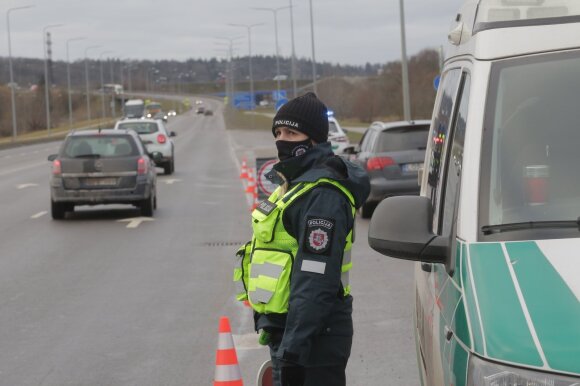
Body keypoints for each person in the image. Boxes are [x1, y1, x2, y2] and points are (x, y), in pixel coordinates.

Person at [233, 92, 370, 386]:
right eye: (278, 132)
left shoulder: (322, 195)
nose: (282, 139)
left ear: (314, 140)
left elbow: (315, 279)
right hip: (290, 331)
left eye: (292, 132)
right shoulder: (292, 186)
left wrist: (295, 349)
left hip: (314, 339)